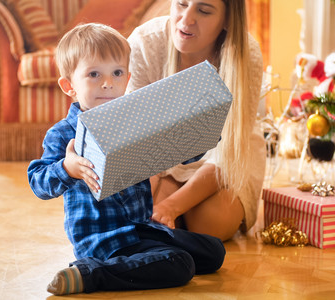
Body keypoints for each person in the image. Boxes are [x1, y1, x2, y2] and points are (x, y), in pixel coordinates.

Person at [27, 23, 225, 296]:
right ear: (69, 85)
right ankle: (92, 274)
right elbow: (37, 181)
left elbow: (170, 152)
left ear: (127, 77)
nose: (108, 83)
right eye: (94, 74)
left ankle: (140, 260)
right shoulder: (63, 134)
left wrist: (199, 138)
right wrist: (66, 168)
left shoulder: (133, 119)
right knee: (181, 264)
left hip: (141, 227)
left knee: (214, 252)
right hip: (103, 240)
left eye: (117, 73)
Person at [127, 0, 266, 241]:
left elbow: (228, 152)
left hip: (223, 162)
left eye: (203, 10)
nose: (186, 19)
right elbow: (137, 141)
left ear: (227, 20)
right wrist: (146, 195)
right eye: (181, 3)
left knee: (209, 225)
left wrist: (171, 206)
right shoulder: (144, 42)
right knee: (145, 216)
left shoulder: (246, 54)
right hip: (158, 160)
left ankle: (178, 217)